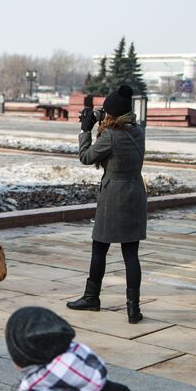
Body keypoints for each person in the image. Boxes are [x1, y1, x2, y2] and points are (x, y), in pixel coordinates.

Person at [67, 84, 148, 323]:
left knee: (99, 248)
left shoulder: (111, 136)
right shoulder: (138, 131)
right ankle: (133, 309)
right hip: (135, 193)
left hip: (114, 195)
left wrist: (85, 130)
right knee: (131, 254)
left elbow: (86, 157)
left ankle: (92, 297)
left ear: (111, 114)